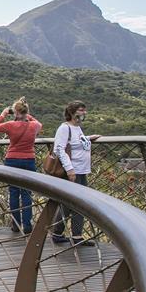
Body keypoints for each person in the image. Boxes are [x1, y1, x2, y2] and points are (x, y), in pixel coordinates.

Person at [52, 101, 101, 246]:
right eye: (81, 110)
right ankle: (77, 237)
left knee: (68, 204)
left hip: (81, 170)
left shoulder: (77, 128)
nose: (84, 113)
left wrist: (88, 138)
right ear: (72, 112)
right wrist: (70, 169)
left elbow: (77, 142)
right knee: (79, 204)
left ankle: (57, 233)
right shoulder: (64, 128)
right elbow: (59, 149)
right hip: (74, 171)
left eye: (85, 110)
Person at [0, 97, 42, 234]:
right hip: (29, 160)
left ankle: (15, 224)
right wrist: (26, 114)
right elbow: (38, 123)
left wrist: (4, 113)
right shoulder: (34, 126)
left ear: (16, 112)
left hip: (12, 160)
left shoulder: (10, 125)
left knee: (13, 192)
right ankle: (28, 225)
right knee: (26, 193)